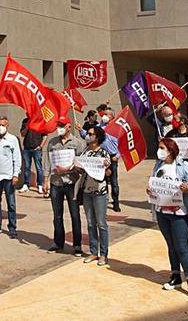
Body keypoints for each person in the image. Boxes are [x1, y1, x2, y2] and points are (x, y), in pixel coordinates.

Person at [149, 138, 188, 301]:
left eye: (162, 148)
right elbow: (154, 182)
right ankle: (175, 275)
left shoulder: (182, 166)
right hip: (162, 211)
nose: (159, 151)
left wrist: (187, 188)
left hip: (179, 213)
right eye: (159, 148)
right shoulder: (158, 165)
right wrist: (150, 189)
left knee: (182, 247)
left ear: (170, 150)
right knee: (171, 246)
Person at [45, 116, 85, 255]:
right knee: (57, 215)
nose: (59, 128)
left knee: (75, 214)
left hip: (71, 183)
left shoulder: (78, 143)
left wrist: (68, 169)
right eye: (58, 125)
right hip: (56, 183)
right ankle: (58, 243)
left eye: (62, 125)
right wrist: (45, 180)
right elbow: (48, 162)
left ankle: (77, 245)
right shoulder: (52, 142)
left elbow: (81, 165)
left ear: (69, 126)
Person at [79, 127, 112, 265]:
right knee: (91, 223)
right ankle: (93, 252)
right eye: (88, 134)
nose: (88, 136)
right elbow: (81, 168)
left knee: (101, 223)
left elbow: (109, 173)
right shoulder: (85, 152)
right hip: (87, 191)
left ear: (97, 137)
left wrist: (105, 168)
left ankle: (103, 254)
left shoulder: (104, 153)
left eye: (91, 134)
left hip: (100, 192)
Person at [97, 104, 121, 211]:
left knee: (114, 181)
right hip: (102, 156)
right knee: (103, 180)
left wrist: (117, 155)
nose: (104, 116)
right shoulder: (100, 127)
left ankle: (116, 202)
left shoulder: (117, 128)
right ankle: (104, 200)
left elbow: (122, 143)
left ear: (112, 116)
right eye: (103, 114)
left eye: (106, 115)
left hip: (112, 157)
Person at [18, 116, 46, 196]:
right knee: (27, 167)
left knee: (39, 168)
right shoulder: (25, 121)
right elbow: (22, 134)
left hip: (37, 149)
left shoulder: (40, 121)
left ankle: (39, 185)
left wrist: (40, 146)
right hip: (27, 148)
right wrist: (27, 126)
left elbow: (45, 135)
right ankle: (26, 184)